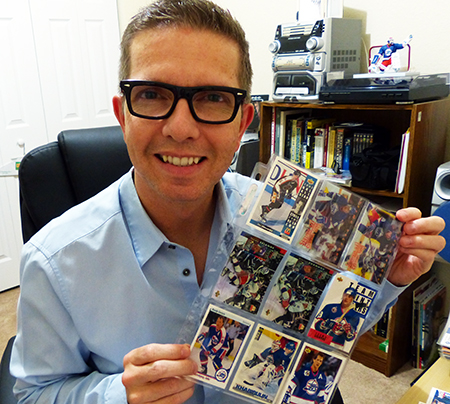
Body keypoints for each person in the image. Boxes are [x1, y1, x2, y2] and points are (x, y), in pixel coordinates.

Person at [9, 1, 445, 404]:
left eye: (214, 98)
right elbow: (31, 396)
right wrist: (115, 396)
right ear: (123, 114)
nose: (181, 129)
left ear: (243, 123)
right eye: (152, 94)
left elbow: (320, 332)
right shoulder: (53, 262)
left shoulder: (287, 215)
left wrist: (386, 280)